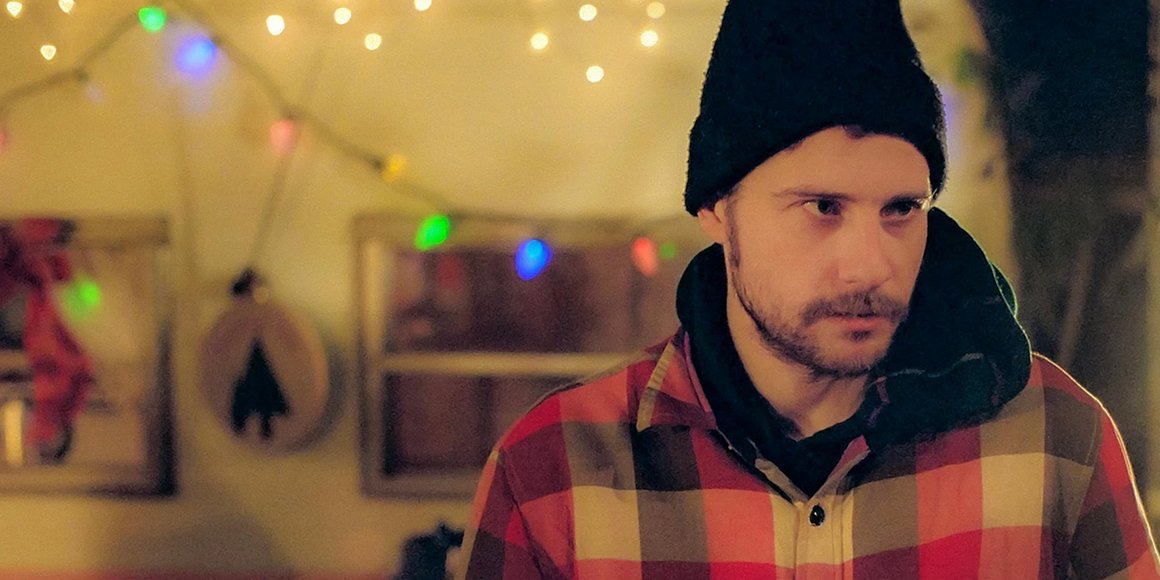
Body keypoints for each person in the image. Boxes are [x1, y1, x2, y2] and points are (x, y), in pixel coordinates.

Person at [458, 0, 1160, 577]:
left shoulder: (1054, 441)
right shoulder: (554, 472)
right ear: (717, 210)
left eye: (901, 209)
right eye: (823, 207)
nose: (870, 266)